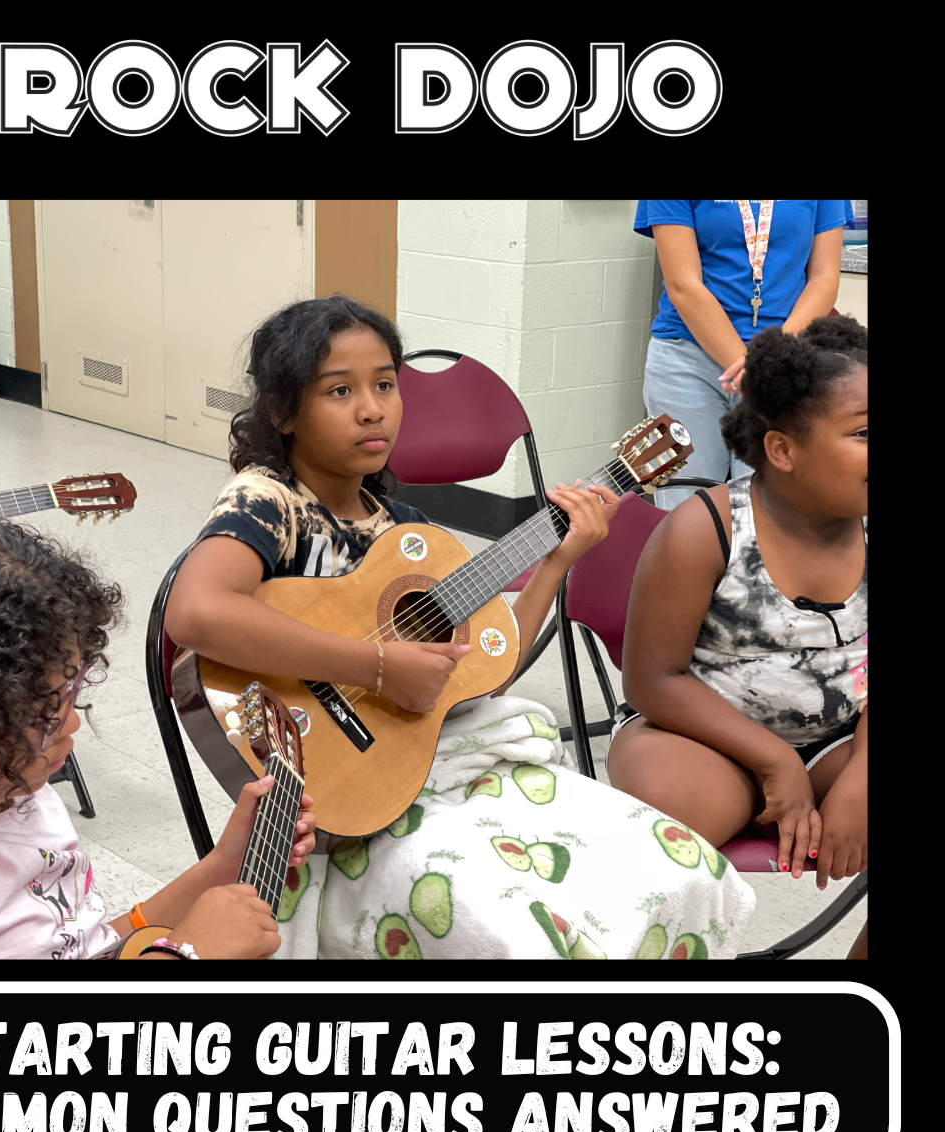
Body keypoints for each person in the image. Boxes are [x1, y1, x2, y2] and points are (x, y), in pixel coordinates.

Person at [164, 295, 758, 960]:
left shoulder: (404, 530)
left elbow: (485, 662)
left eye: (386, 383)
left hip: (413, 770)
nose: (372, 407)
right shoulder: (267, 500)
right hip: (319, 786)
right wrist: (378, 668)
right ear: (281, 411)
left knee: (675, 869)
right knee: (521, 932)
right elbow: (197, 612)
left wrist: (556, 563)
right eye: (340, 390)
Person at [0, 498, 316, 960]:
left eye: (70, 692)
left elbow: (84, 946)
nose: (71, 722)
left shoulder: (6, 789)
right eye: (41, 714)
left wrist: (224, 863)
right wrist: (185, 956)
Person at [606, 316, 867, 957]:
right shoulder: (708, 528)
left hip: (841, 741)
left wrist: (862, 775)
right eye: (864, 434)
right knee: (665, 812)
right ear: (782, 450)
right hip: (699, 734)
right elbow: (652, 679)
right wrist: (777, 764)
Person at [635, 200, 852, 509]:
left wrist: (771, 358)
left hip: (779, 365)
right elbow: (683, 284)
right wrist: (750, 367)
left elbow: (825, 277)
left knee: (769, 507)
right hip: (686, 360)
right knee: (684, 508)